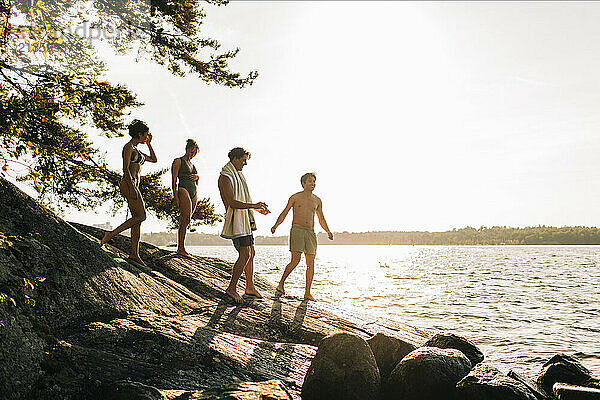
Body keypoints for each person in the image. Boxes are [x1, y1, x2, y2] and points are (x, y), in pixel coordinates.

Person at [101, 120, 157, 266]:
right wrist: (132, 186)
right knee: (141, 216)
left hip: (134, 184)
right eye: (146, 135)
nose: (147, 137)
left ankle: (134, 253)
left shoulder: (136, 149)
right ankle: (111, 234)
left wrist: (150, 144)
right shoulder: (128, 147)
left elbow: (154, 159)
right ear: (139, 134)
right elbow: (125, 168)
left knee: (136, 219)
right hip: (128, 184)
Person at [218, 147, 270, 303]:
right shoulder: (226, 177)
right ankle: (231, 288)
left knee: (251, 252)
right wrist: (254, 206)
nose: (245, 164)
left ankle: (250, 286)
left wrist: (256, 209)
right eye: (243, 160)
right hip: (236, 221)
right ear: (235, 159)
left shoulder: (238, 175)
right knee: (245, 254)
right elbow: (232, 203)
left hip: (244, 220)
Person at [271, 172, 333, 301]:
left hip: (310, 232)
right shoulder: (295, 197)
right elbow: (285, 212)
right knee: (295, 260)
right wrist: (276, 225)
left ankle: (307, 292)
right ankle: (281, 284)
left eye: (314, 181)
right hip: (297, 230)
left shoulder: (317, 200)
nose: (312, 183)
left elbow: (321, 218)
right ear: (303, 183)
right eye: (309, 181)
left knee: (311, 263)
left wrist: (328, 231)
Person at [171, 139, 200, 257]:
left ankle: (182, 247)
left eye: (194, 153)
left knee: (187, 221)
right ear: (186, 149)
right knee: (185, 218)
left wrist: (197, 177)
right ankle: (180, 248)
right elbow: (174, 180)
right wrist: (175, 197)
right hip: (183, 190)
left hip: (194, 193)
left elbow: (197, 182)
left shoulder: (193, 165)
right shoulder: (178, 161)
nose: (191, 155)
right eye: (190, 152)